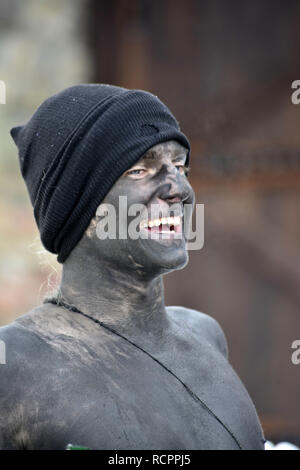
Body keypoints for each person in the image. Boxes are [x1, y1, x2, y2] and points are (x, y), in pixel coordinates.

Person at [0, 84, 265, 450]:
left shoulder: (205, 337)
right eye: (140, 169)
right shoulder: (13, 365)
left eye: (180, 165)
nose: (179, 189)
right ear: (78, 208)